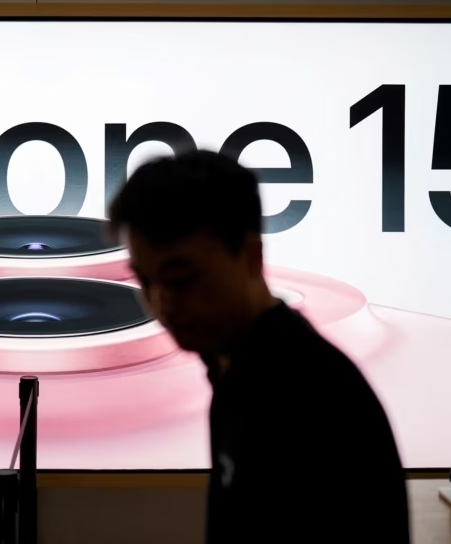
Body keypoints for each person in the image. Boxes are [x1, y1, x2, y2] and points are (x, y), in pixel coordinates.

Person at [108, 150, 409, 543]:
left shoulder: (313, 396)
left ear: (252, 256)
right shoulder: (232, 370)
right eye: (146, 282)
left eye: (182, 279)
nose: (163, 305)